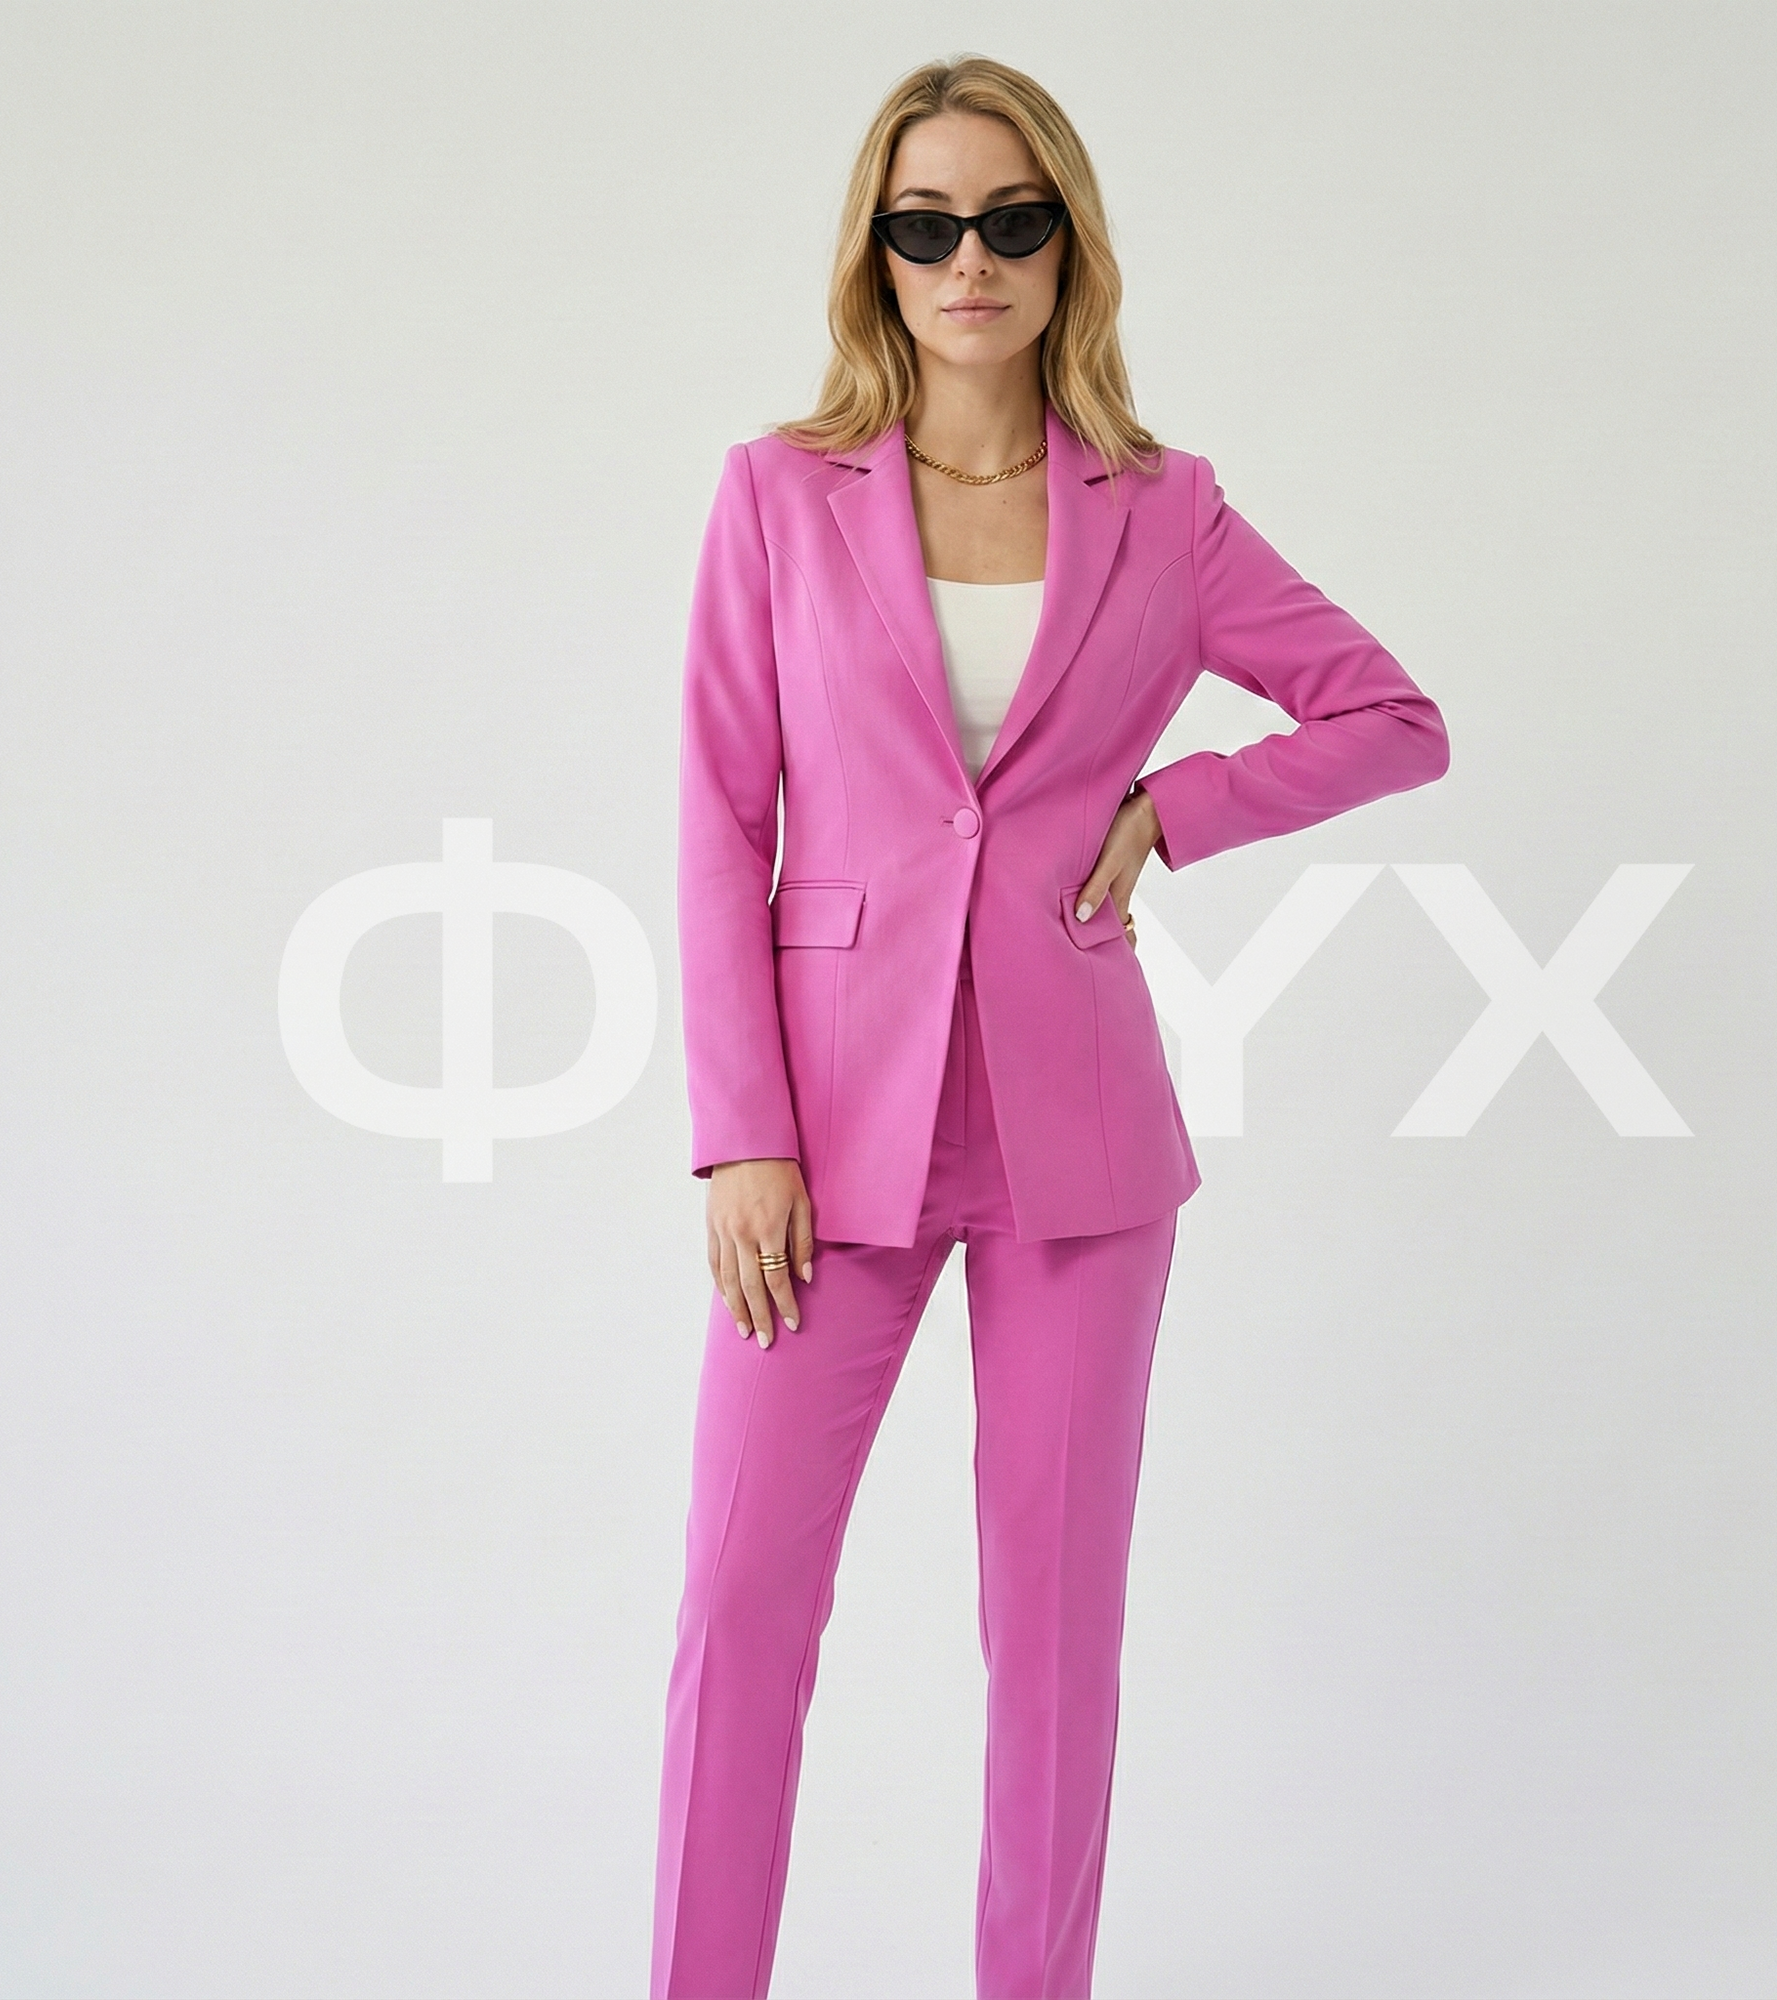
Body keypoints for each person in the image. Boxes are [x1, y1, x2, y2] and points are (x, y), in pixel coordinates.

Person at [652, 54, 1450, 2000]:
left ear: (1068, 242)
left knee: (1055, 1633)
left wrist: (1174, 809)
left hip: (1076, 1140)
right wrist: (741, 1134)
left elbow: (1391, 718)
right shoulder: (778, 494)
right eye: (926, 224)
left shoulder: (1164, 513)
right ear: (876, 253)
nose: (970, 261)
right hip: (823, 1133)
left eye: (1011, 220)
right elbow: (717, 815)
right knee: (741, 1606)